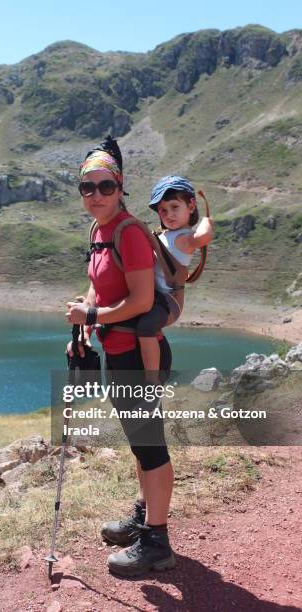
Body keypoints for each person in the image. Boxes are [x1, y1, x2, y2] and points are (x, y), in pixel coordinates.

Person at [66, 136, 175, 577]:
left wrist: (92, 312)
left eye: (105, 186)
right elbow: (98, 283)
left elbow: (141, 299)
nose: (96, 195)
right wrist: (85, 326)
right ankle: (143, 517)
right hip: (116, 349)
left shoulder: (128, 232)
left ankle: (157, 542)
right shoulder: (98, 230)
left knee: (151, 447)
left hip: (139, 357)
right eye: (87, 187)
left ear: (120, 186)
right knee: (138, 442)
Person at [137, 176, 214, 384]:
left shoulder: (185, 238)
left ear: (191, 205)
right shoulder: (165, 234)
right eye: (163, 210)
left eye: (174, 207)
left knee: (145, 328)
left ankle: (151, 380)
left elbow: (203, 238)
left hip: (168, 301)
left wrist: (206, 223)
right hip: (155, 296)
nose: (169, 214)